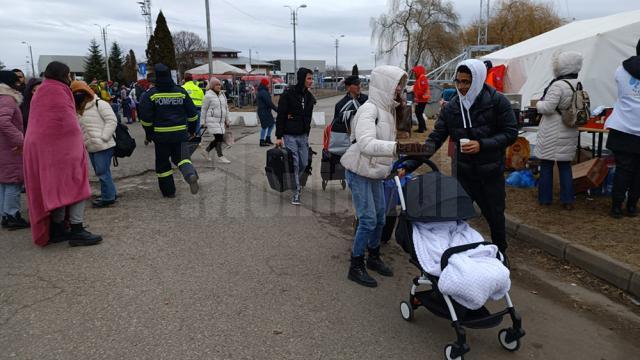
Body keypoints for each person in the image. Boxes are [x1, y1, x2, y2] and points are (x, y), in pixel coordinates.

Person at [340, 65, 429, 287]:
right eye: (397, 84)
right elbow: (367, 144)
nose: (400, 88)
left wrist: (394, 164)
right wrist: (398, 149)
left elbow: (393, 140)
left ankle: (374, 256)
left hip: (377, 172)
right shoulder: (369, 110)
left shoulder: (388, 109)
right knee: (368, 219)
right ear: (385, 84)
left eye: (401, 84)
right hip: (360, 171)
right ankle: (356, 263)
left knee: (381, 217)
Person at [424, 59, 518, 255]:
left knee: (495, 217)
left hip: (490, 172)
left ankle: (501, 253)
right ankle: (459, 255)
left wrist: (482, 145)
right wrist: (410, 162)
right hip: (463, 173)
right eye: (458, 81)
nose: (462, 87)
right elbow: (436, 138)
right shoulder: (451, 107)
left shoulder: (497, 101)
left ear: (478, 80)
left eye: (466, 82)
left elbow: (510, 133)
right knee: (457, 217)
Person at [23, 61, 102, 246]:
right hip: (61, 149)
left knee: (55, 188)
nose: (70, 78)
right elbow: (67, 124)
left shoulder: (41, 90)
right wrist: (78, 147)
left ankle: (57, 229)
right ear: (63, 75)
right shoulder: (59, 90)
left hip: (39, 148)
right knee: (76, 185)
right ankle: (77, 230)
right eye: (69, 74)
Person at [138, 64, 200, 198]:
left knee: (163, 163)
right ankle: (190, 175)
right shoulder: (181, 92)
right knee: (183, 158)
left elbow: (145, 118)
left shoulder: (151, 94)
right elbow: (193, 114)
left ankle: (169, 191)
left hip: (161, 136)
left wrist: (149, 134)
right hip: (180, 133)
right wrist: (192, 130)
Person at [535, 51, 584, 210]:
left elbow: (548, 107)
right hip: (569, 128)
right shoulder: (578, 84)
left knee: (547, 165)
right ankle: (567, 200)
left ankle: (545, 199)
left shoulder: (557, 85)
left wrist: (538, 104)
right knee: (565, 166)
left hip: (552, 129)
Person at [605, 39, 640, 218]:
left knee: (623, 169)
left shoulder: (621, 70)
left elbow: (620, 91)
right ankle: (632, 206)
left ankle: (616, 206)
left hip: (622, 126)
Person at [71, 80, 118, 208]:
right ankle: (111, 193)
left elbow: (112, 120)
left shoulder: (100, 103)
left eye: (80, 91)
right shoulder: (76, 108)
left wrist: (104, 137)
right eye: (75, 92)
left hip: (104, 145)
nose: (78, 94)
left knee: (102, 172)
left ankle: (108, 197)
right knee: (102, 171)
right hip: (90, 146)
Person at [275, 68, 316, 205]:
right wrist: (279, 136)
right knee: (295, 163)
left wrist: (307, 133)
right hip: (289, 135)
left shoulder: (309, 98)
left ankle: (294, 183)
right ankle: (296, 191)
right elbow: (281, 115)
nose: (311, 81)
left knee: (304, 162)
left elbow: (308, 118)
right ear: (302, 78)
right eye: (308, 78)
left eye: (312, 78)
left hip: (303, 135)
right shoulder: (288, 94)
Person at [0, 71, 30, 230]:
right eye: (16, 81)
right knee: (13, 182)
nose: (19, 84)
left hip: (3, 147)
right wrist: (20, 140)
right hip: (11, 148)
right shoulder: (7, 99)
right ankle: (12, 214)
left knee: (4, 183)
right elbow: (3, 122)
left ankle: (5, 214)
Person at [200, 77, 231, 163]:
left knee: (218, 139)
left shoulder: (222, 95)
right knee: (219, 138)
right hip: (212, 120)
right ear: (212, 86)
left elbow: (226, 108)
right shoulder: (208, 96)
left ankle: (206, 151)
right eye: (216, 85)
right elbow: (204, 109)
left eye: (219, 84)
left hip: (220, 121)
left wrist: (228, 120)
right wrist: (202, 122)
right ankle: (220, 156)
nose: (218, 86)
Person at [256, 78, 277, 146]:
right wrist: (277, 109)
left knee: (271, 124)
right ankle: (262, 141)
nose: (269, 85)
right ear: (265, 84)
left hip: (266, 111)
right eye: (268, 84)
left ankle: (268, 138)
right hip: (263, 111)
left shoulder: (263, 91)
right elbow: (269, 103)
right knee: (264, 126)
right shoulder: (263, 92)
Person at [411, 64, 431, 133]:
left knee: (418, 113)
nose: (414, 73)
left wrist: (417, 96)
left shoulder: (422, 78)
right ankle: (423, 127)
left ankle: (421, 128)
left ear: (418, 71)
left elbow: (423, 88)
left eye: (415, 71)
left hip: (422, 99)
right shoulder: (419, 78)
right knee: (419, 113)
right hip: (420, 99)